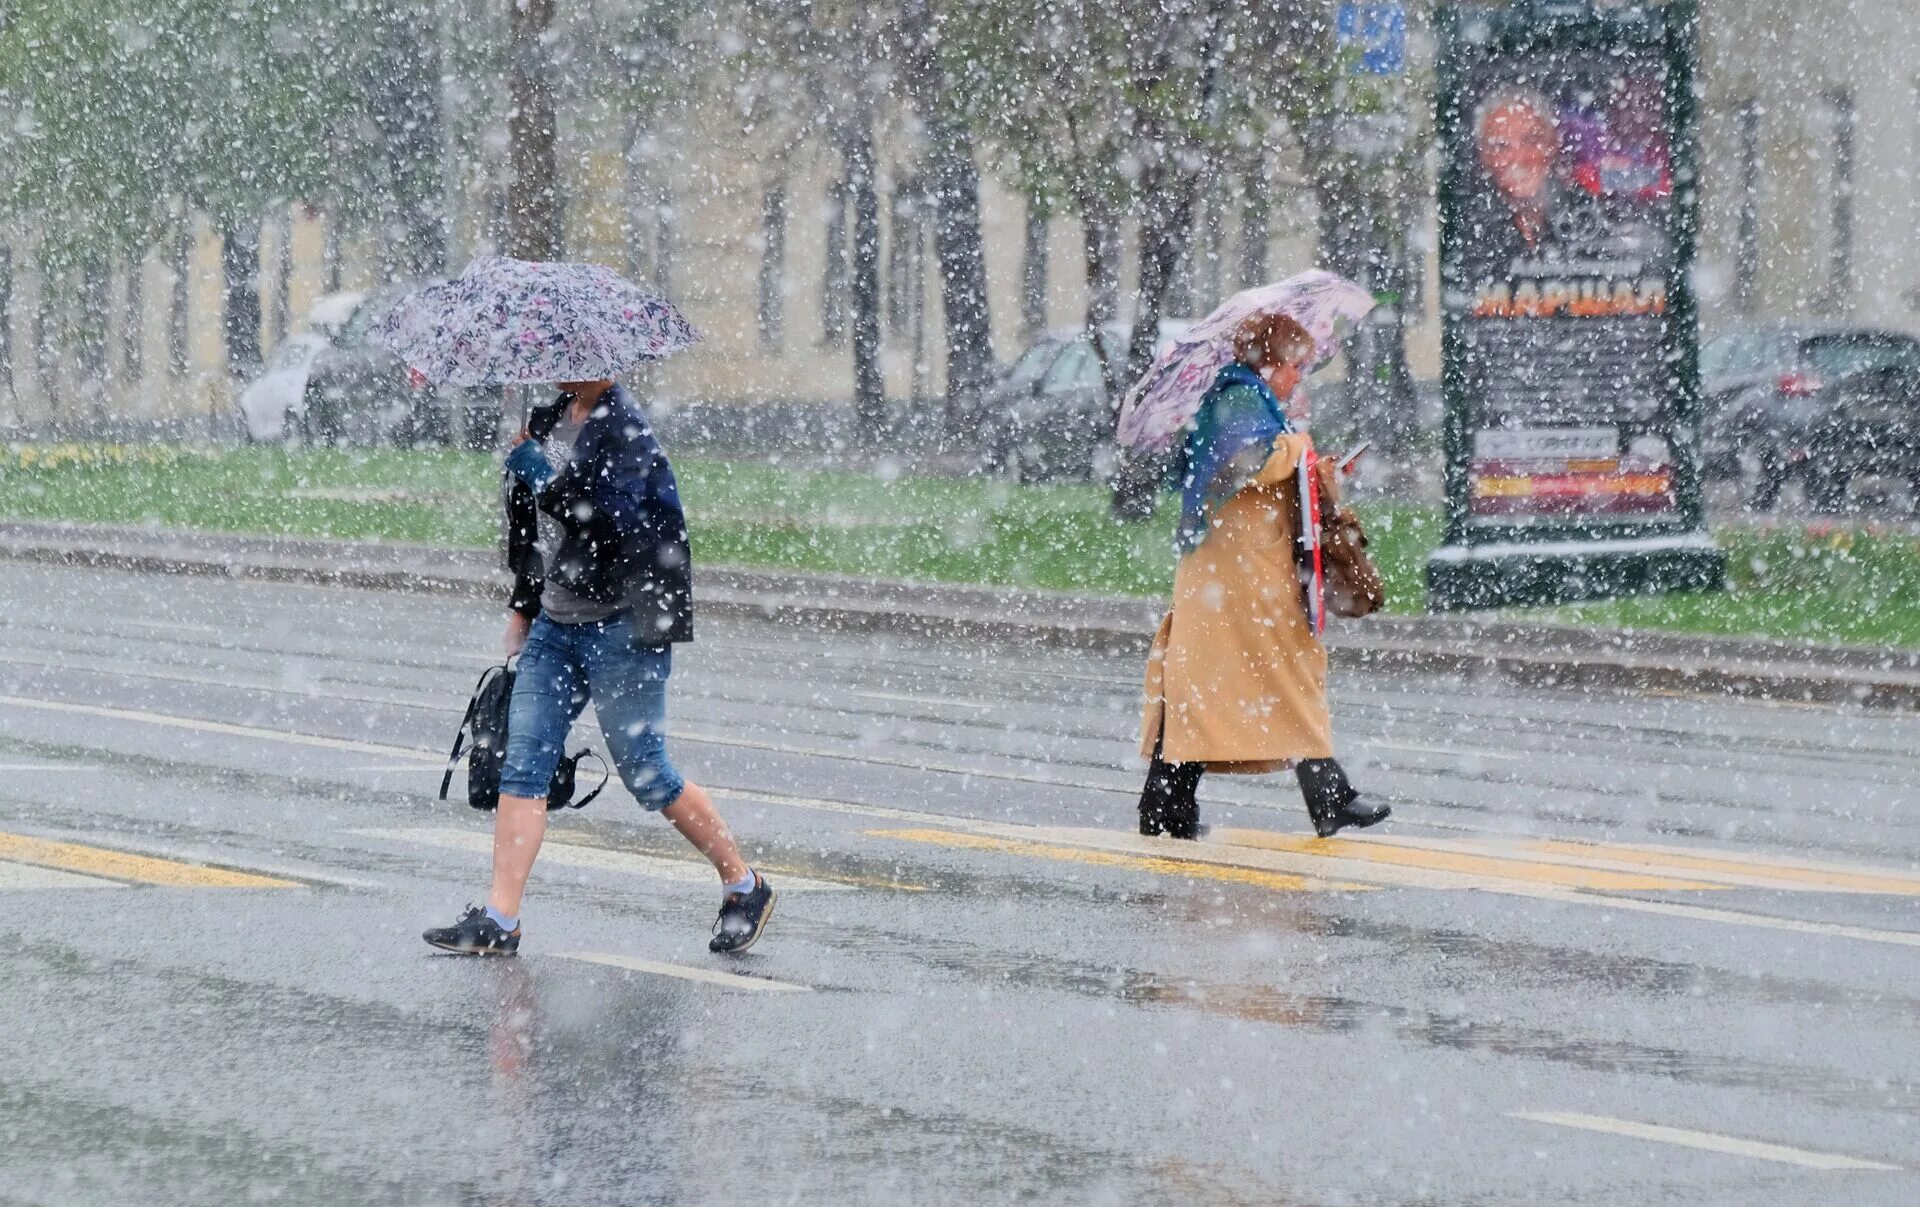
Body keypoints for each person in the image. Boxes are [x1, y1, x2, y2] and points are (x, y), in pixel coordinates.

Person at [423, 379, 775, 956]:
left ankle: (744, 885)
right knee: (522, 763)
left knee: (647, 775)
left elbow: (611, 522)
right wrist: (523, 605)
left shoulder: (627, 432)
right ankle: (500, 919)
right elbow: (537, 531)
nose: (554, 362)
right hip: (556, 627)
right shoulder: (547, 418)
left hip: (622, 623)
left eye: (566, 353)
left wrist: (542, 474)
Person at [1137, 314, 1391, 841]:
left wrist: (1311, 459)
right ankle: (1327, 797)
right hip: (1237, 575)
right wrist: (1301, 448)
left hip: (1242, 571)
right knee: (1269, 675)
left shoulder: (1250, 398)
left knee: (1213, 686)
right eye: (1294, 365)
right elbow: (1252, 461)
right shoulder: (1238, 397)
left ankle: (1167, 804)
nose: (1299, 376)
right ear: (1268, 361)